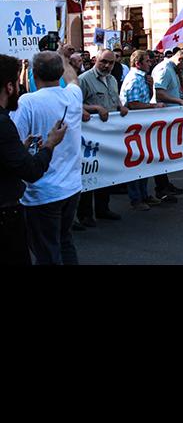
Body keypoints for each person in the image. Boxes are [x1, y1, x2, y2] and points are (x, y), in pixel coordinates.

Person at [11, 51, 83, 264]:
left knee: (46, 252)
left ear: (33, 74)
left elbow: (15, 139)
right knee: (65, 241)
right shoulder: (73, 95)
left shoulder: (27, 102)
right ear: (60, 72)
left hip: (42, 192)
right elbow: (74, 79)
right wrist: (62, 56)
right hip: (71, 187)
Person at [0, 54, 67, 265]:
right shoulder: (3, 123)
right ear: (9, 87)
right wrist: (50, 144)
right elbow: (31, 171)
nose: (20, 89)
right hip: (6, 216)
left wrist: (18, 149)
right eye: (18, 83)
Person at [76, 50, 128, 226]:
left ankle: (102, 209)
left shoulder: (113, 80)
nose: (107, 66)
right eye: (103, 62)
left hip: (109, 135)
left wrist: (121, 107)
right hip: (89, 137)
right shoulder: (83, 79)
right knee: (88, 173)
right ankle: (85, 214)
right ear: (95, 60)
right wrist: (96, 108)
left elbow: (114, 100)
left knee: (104, 172)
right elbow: (75, 104)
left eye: (111, 63)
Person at [119, 50, 168, 211]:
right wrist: (154, 106)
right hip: (134, 127)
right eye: (147, 61)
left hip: (143, 126)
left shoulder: (143, 79)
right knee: (136, 163)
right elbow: (133, 104)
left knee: (145, 161)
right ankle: (136, 198)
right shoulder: (134, 79)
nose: (150, 63)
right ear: (138, 63)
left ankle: (144, 194)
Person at [151, 48, 183, 201]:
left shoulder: (173, 70)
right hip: (163, 117)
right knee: (160, 153)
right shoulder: (164, 69)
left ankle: (165, 183)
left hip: (171, 117)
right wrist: (180, 101)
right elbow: (160, 93)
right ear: (180, 59)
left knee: (166, 152)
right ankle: (161, 188)